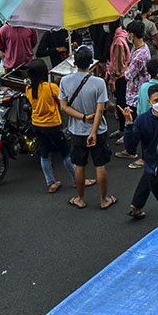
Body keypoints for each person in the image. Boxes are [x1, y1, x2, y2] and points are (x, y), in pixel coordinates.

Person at [59, 47, 115, 210]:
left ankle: (80, 198)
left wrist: (82, 118)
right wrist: (93, 132)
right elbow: (99, 110)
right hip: (99, 131)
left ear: (75, 63)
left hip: (76, 130)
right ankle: (104, 200)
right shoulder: (99, 83)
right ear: (91, 63)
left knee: (79, 165)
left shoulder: (65, 81)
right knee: (100, 165)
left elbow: (64, 107)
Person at [121, 82, 158, 221]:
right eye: (157, 100)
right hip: (151, 174)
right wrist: (129, 125)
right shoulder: (142, 121)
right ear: (149, 102)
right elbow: (130, 148)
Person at [25, 60, 76, 194]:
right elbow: (62, 101)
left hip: (37, 124)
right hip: (52, 124)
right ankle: (77, 179)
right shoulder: (50, 87)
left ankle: (51, 182)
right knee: (66, 153)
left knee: (45, 154)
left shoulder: (29, 89)